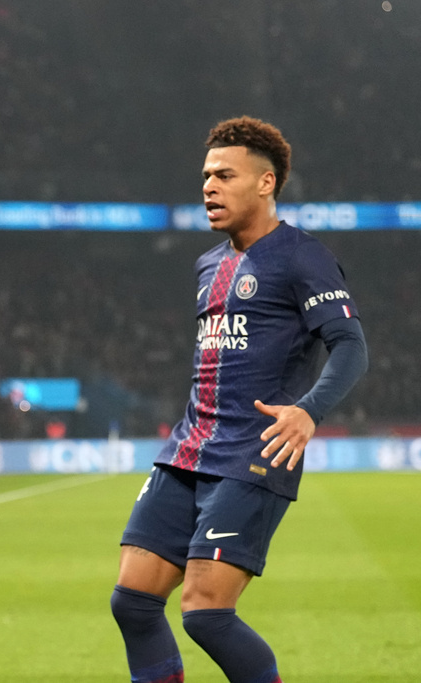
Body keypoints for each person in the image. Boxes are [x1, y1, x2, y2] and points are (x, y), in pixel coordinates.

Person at [110, 116, 368, 683]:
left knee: (206, 613)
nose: (209, 186)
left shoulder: (302, 257)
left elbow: (351, 346)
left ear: (266, 182)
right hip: (188, 450)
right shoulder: (209, 264)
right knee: (132, 600)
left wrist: (309, 410)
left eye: (225, 176)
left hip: (253, 454)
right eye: (206, 176)